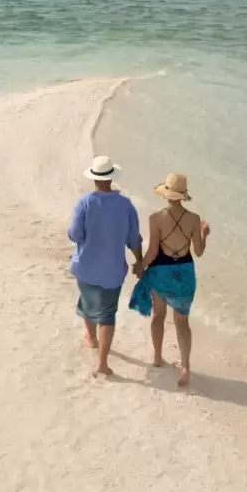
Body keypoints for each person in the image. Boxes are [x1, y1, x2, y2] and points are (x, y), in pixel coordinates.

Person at [129, 173, 209, 386]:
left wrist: (140, 266)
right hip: (184, 274)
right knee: (182, 322)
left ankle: (157, 357)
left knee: (158, 315)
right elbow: (199, 252)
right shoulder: (194, 219)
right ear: (183, 195)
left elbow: (153, 251)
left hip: (160, 272)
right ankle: (185, 367)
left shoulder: (155, 218)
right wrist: (204, 234)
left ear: (166, 194)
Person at [68, 156, 142, 377]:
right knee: (108, 314)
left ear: (94, 179)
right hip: (112, 270)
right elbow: (133, 239)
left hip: (85, 266)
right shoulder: (126, 205)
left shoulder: (84, 203)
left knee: (88, 302)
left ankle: (91, 338)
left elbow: (75, 234)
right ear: (111, 178)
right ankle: (102, 363)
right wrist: (140, 261)